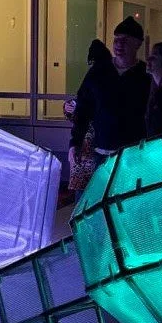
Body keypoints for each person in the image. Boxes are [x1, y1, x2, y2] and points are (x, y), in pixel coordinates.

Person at [69, 16, 150, 172]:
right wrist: (75, 143)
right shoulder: (99, 71)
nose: (119, 44)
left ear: (138, 44)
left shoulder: (145, 76)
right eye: (116, 39)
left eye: (125, 40)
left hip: (134, 154)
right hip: (102, 152)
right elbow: (83, 110)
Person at [65, 39, 112, 197]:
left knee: (86, 192)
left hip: (90, 148)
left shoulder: (96, 80)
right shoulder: (97, 81)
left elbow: (83, 109)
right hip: (88, 149)